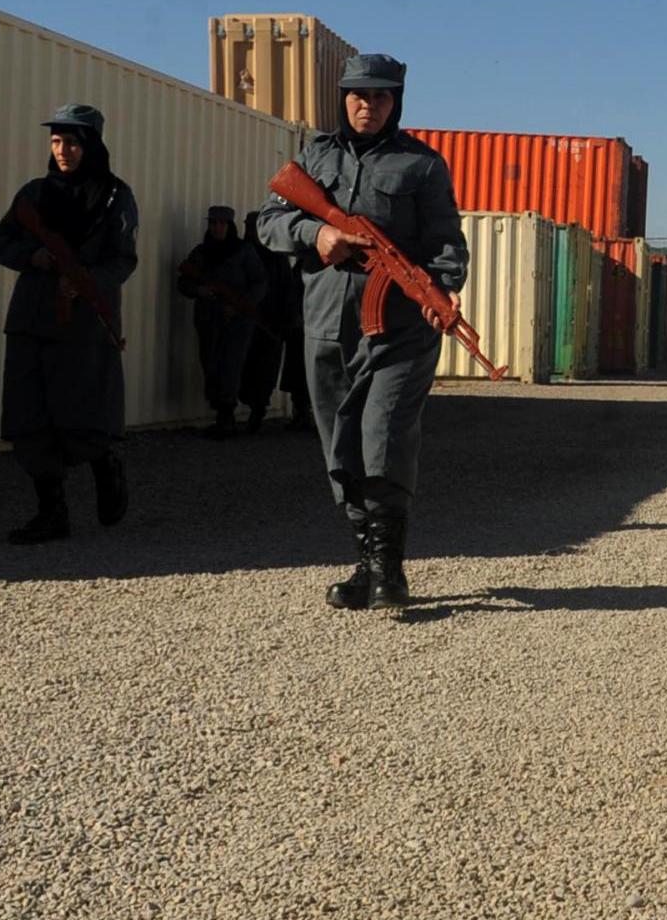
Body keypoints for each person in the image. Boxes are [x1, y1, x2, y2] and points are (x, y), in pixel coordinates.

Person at [258, 53, 468, 609]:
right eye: (358, 95)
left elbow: (447, 242)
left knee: (384, 438)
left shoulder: (422, 166)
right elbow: (268, 221)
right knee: (340, 446)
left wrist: (441, 291)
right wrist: (314, 234)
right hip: (327, 326)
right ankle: (365, 564)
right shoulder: (315, 156)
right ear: (343, 96)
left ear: (395, 102)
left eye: (379, 97)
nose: (367, 105)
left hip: (398, 330)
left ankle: (389, 571)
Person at [0, 103, 139, 544]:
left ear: (90, 145)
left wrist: (87, 281)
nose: (62, 150)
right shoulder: (34, 195)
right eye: (55, 141)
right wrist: (30, 256)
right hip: (32, 317)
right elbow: (0, 238)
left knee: (84, 412)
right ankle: (51, 513)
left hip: (85, 323)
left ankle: (105, 462)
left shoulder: (114, 197)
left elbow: (123, 258)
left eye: (71, 142)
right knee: (30, 416)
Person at [178, 205, 271, 438]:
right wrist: (199, 290)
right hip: (209, 318)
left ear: (229, 226)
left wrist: (239, 306)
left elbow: (259, 282)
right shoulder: (201, 253)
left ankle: (226, 416)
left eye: (222, 223)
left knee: (231, 364)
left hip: (237, 320)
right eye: (213, 223)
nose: (217, 227)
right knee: (211, 363)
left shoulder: (243, 251)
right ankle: (221, 412)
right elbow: (184, 282)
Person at [237, 210, 312, 432]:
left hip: (273, 324)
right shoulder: (243, 254)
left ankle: (260, 412)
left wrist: (286, 319)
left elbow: (287, 290)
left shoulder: (276, 258)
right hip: (250, 321)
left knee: (266, 370)